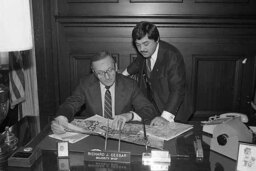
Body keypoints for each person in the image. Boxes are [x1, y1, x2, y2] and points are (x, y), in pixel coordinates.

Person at [51, 51, 157, 134]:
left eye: (110, 70)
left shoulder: (130, 85)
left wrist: (129, 116)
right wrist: (62, 118)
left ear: (116, 67)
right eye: (100, 73)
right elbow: (71, 103)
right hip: (94, 138)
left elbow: (148, 110)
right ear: (94, 72)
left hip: (121, 136)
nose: (107, 77)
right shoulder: (86, 84)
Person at [122, 21, 187, 126]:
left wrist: (165, 117)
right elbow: (138, 63)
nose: (141, 49)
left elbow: (177, 90)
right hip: (156, 105)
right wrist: (122, 75)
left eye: (145, 44)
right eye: (138, 45)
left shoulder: (172, 56)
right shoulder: (145, 51)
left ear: (157, 39)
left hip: (174, 110)